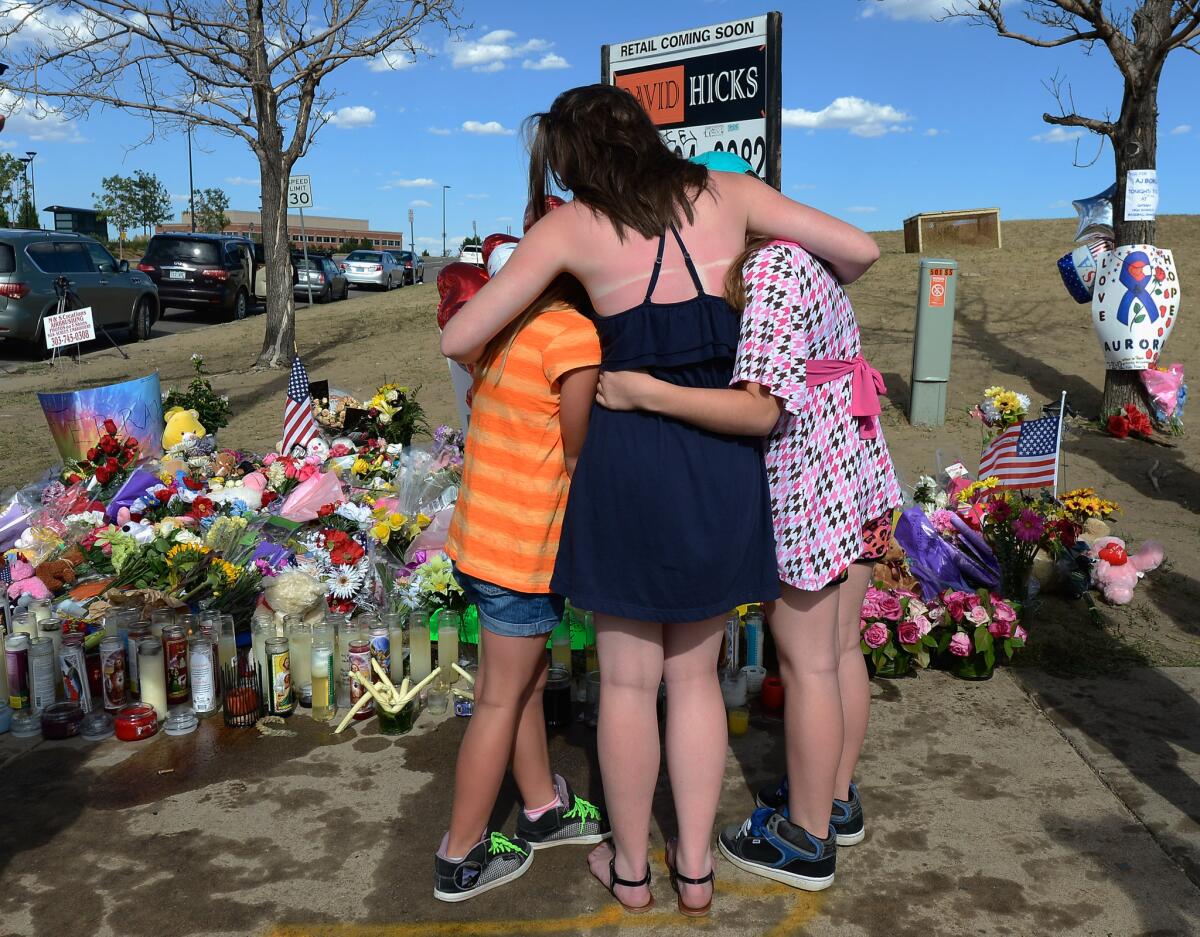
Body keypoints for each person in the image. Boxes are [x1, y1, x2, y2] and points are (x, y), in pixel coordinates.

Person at [441, 83, 880, 916]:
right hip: (722, 459)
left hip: (627, 461)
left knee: (630, 685)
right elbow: (857, 251)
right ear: (645, 132)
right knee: (701, 680)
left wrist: (559, 298)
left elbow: (459, 335)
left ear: (571, 161)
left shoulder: (571, 226)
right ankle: (697, 871)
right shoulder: (732, 195)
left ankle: (631, 870)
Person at [596, 236, 899, 891]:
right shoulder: (809, 260)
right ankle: (836, 798)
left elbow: (760, 409)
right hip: (858, 461)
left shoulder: (765, 269)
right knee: (842, 650)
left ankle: (806, 837)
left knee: (808, 662)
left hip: (811, 474)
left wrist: (642, 392)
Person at [434, 257, 606, 903]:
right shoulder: (574, 334)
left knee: (524, 682)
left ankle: (540, 808)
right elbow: (576, 444)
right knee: (500, 698)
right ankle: (462, 851)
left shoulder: (506, 326)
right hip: (521, 551)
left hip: (479, 539)